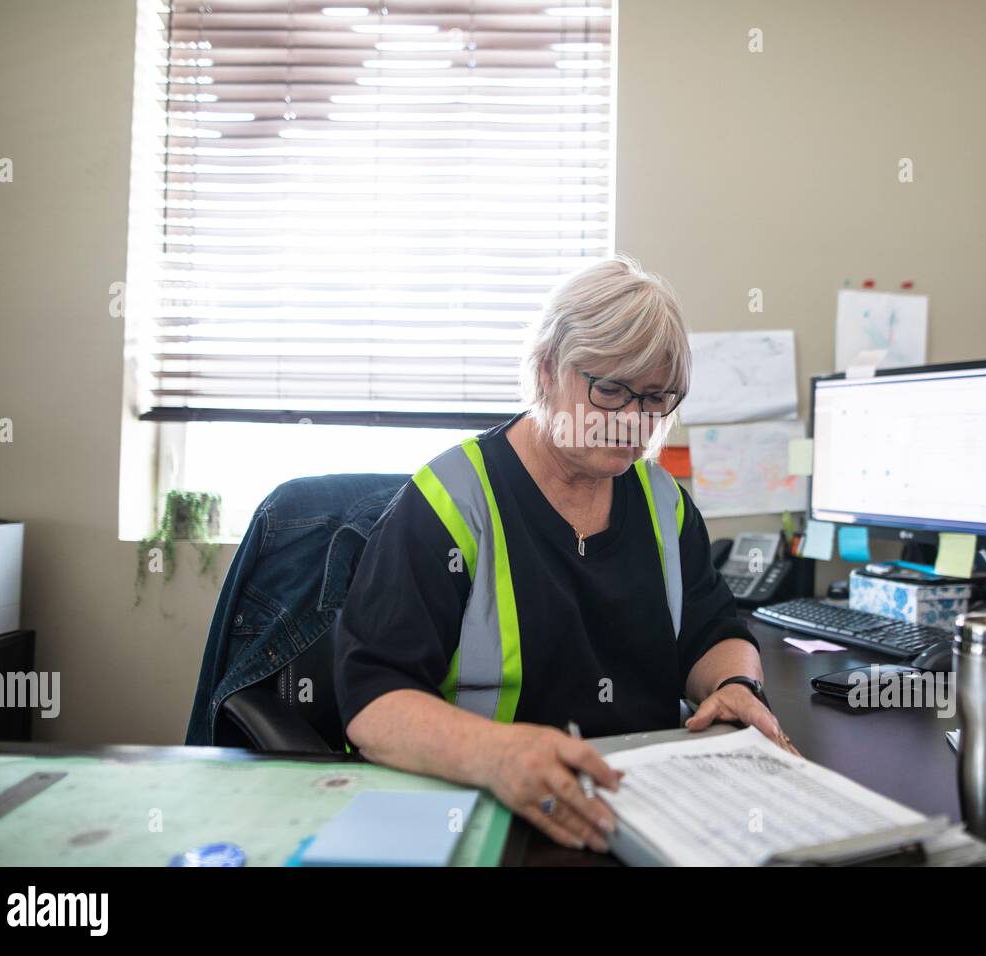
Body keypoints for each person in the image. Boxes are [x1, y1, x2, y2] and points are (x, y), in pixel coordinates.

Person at [335, 255, 794, 854]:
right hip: (488, 812)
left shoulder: (665, 505)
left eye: (655, 399)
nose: (634, 421)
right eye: (611, 391)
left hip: (641, 811)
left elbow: (714, 632)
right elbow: (371, 699)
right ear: (548, 369)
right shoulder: (449, 504)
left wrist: (736, 682)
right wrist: (495, 754)